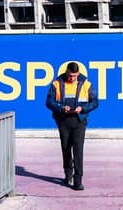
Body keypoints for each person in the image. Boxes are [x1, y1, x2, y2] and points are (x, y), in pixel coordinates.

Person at [45, 62, 98, 190]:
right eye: (70, 75)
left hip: (79, 120)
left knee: (78, 150)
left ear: (78, 74)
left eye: (74, 76)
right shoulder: (56, 84)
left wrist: (83, 108)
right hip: (63, 120)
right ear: (66, 72)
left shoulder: (86, 84)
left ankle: (78, 180)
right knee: (66, 148)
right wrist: (61, 107)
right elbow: (48, 102)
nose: (72, 78)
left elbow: (95, 102)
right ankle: (68, 174)